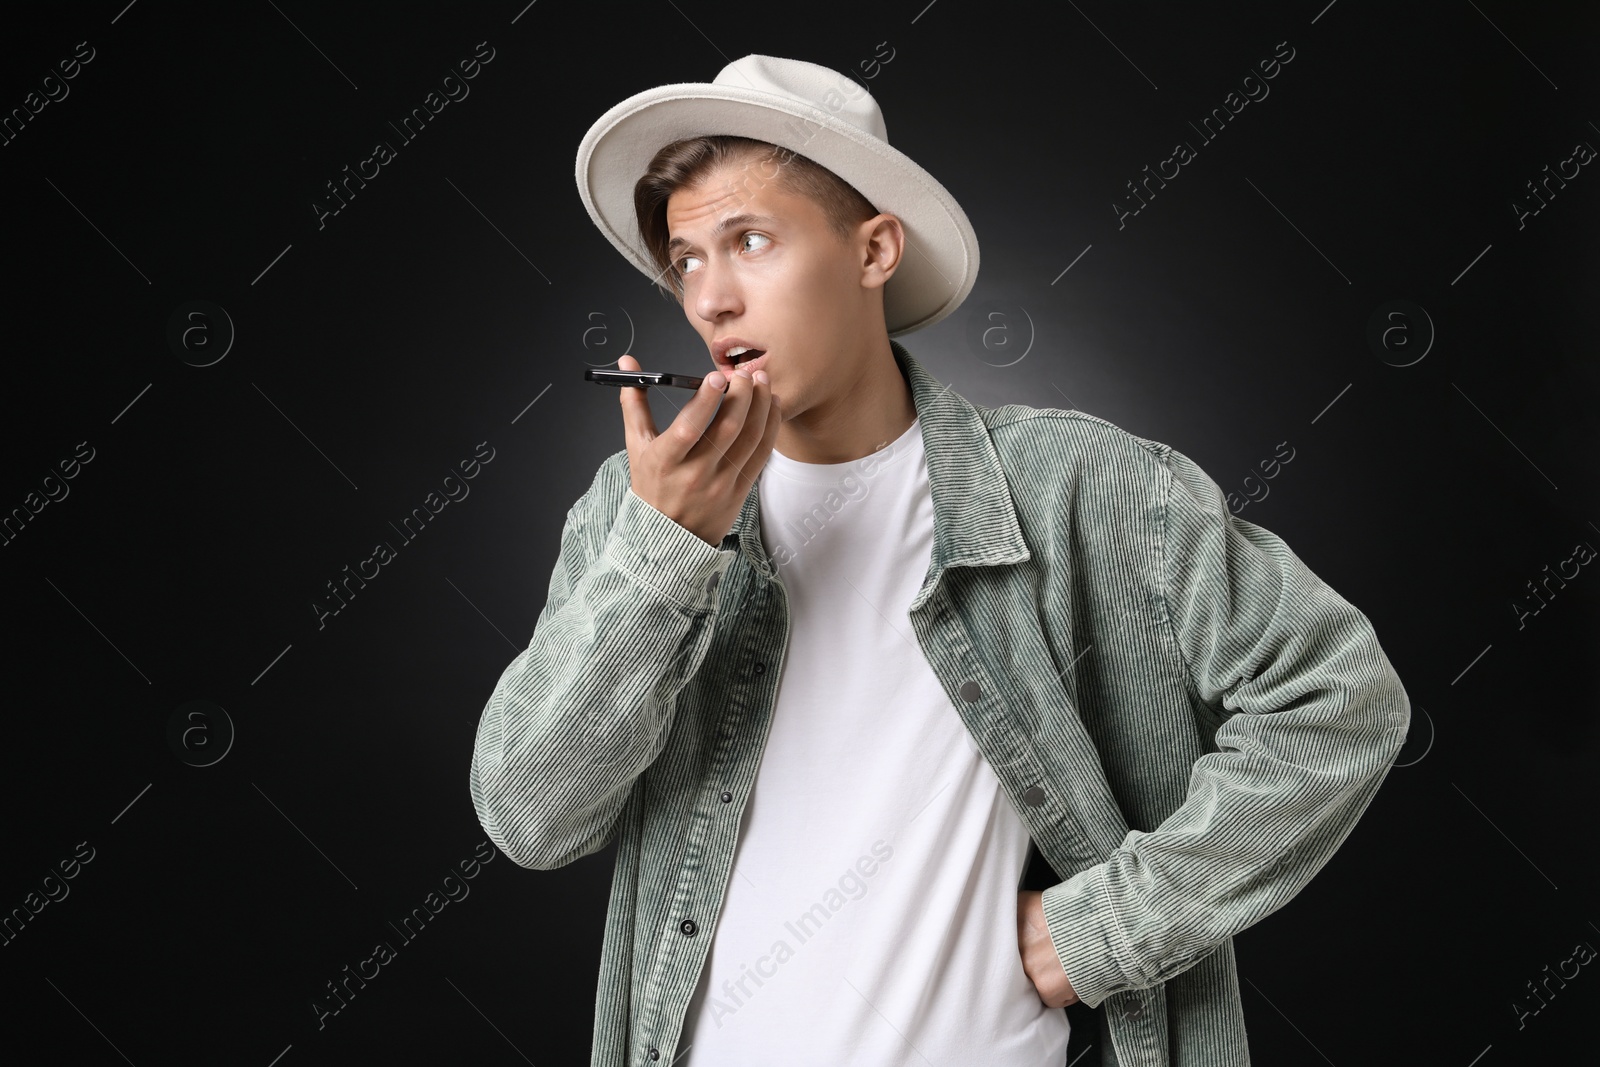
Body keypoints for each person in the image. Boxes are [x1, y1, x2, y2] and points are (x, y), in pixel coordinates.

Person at [469, 53, 1410, 1067]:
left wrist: (1096, 931)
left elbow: (1339, 700)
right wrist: (666, 554)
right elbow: (531, 817)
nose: (711, 298)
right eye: (687, 257)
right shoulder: (634, 511)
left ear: (873, 249)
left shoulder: (1076, 487)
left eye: (749, 240)